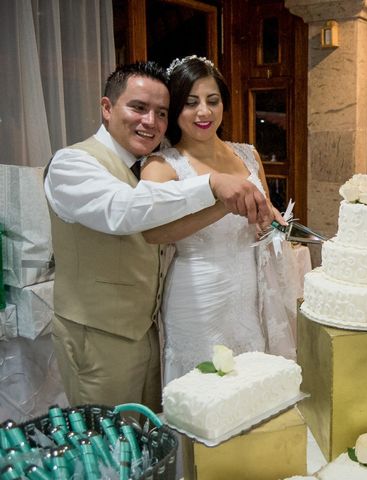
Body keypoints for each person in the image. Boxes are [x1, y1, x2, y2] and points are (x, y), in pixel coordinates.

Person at [44, 61, 274, 412]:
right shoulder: (72, 164)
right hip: (98, 334)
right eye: (138, 108)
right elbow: (125, 211)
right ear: (107, 108)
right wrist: (214, 186)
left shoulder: (141, 162)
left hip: (149, 329)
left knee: (154, 435)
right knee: (108, 446)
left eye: (160, 112)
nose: (150, 121)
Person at [140, 55, 295, 385]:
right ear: (175, 108)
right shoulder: (161, 166)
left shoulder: (248, 155)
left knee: (250, 380)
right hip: (197, 292)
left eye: (213, 101)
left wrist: (271, 222)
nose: (203, 112)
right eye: (191, 102)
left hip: (249, 288)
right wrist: (221, 206)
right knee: (203, 388)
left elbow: (261, 211)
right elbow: (152, 232)